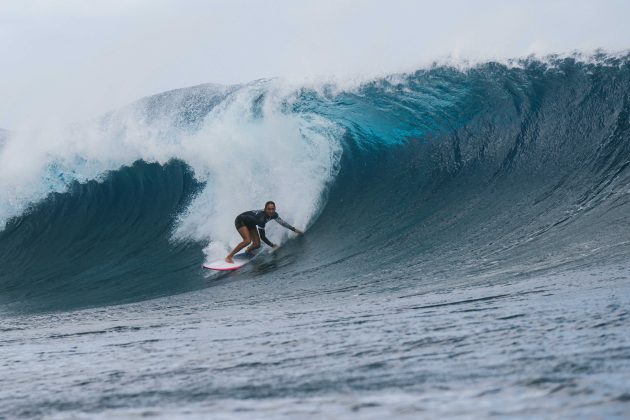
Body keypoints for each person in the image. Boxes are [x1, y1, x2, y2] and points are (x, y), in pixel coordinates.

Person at [225, 201, 304, 263]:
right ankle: (229, 257)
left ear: (275, 209)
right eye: (269, 209)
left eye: (272, 209)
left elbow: (283, 223)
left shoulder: (274, 215)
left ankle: (248, 251)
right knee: (247, 241)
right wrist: (272, 245)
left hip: (251, 223)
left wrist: (294, 230)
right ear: (265, 209)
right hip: (240, 220)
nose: (271, 211)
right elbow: (262, 237)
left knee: (257, 244)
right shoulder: (261, 220)